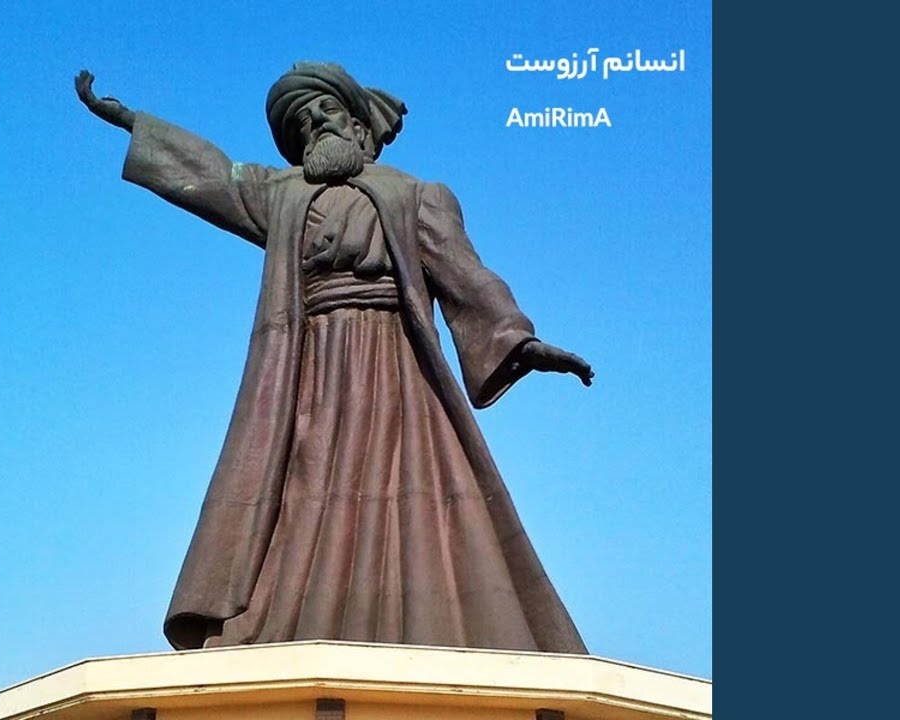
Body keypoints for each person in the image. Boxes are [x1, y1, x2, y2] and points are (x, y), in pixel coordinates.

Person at [74, 62, 594, 654]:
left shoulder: (417, 196)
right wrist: (132, 123)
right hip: (315, 366)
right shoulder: (282, 196)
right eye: (301, 122)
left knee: (410, 486)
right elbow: (214, 174)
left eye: (324, 111)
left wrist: (518, 340)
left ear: (358, 125)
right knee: (309, 477)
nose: (314, 125)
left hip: (397, 364)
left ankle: (419, 621)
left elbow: (466, 275)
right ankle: (305, 613)